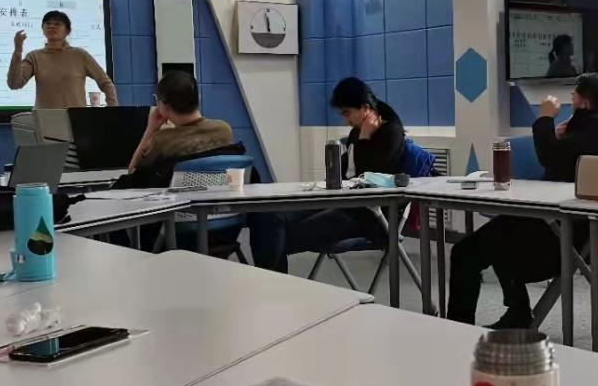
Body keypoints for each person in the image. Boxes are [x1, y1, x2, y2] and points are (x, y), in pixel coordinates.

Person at [447, 73, 598, 327]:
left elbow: (550, 159)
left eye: (573, 96)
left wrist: (545, 118)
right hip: (580, 225)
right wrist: (563, 136)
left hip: (563, 233)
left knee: (467, 251)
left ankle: (459, 329)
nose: (570, 100)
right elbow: (570, 161)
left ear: (584, 102)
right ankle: (517, 312)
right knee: (499, 230)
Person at [248, 78, 407, 273]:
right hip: (341, 202)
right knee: (269, 217)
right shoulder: (356, 133)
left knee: (276, 236)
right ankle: (273, 283)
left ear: (365, 108)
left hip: (368, 215)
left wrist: (365, 139)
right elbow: (343, 173)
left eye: (347, 113)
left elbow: (367, 176)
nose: (346, 120)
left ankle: (271, 284)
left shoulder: (391, 133)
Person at [126, 70, 235, 173]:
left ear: (163, 105)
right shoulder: (224, 130)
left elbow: (132, 173)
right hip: (217, 187)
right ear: (198, 98)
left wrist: (150, 130)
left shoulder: (161, 141)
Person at [7, 10, 118, 109]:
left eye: (57, 24)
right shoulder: (34, 56)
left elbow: (106, 83)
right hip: (45, 120)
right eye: (48, 23)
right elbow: (14, 84)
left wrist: (113, 112)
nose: (52, 26)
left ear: (67, 31)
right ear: (43, 29)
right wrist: (18, 51)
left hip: (76, 120)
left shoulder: (80, 55)